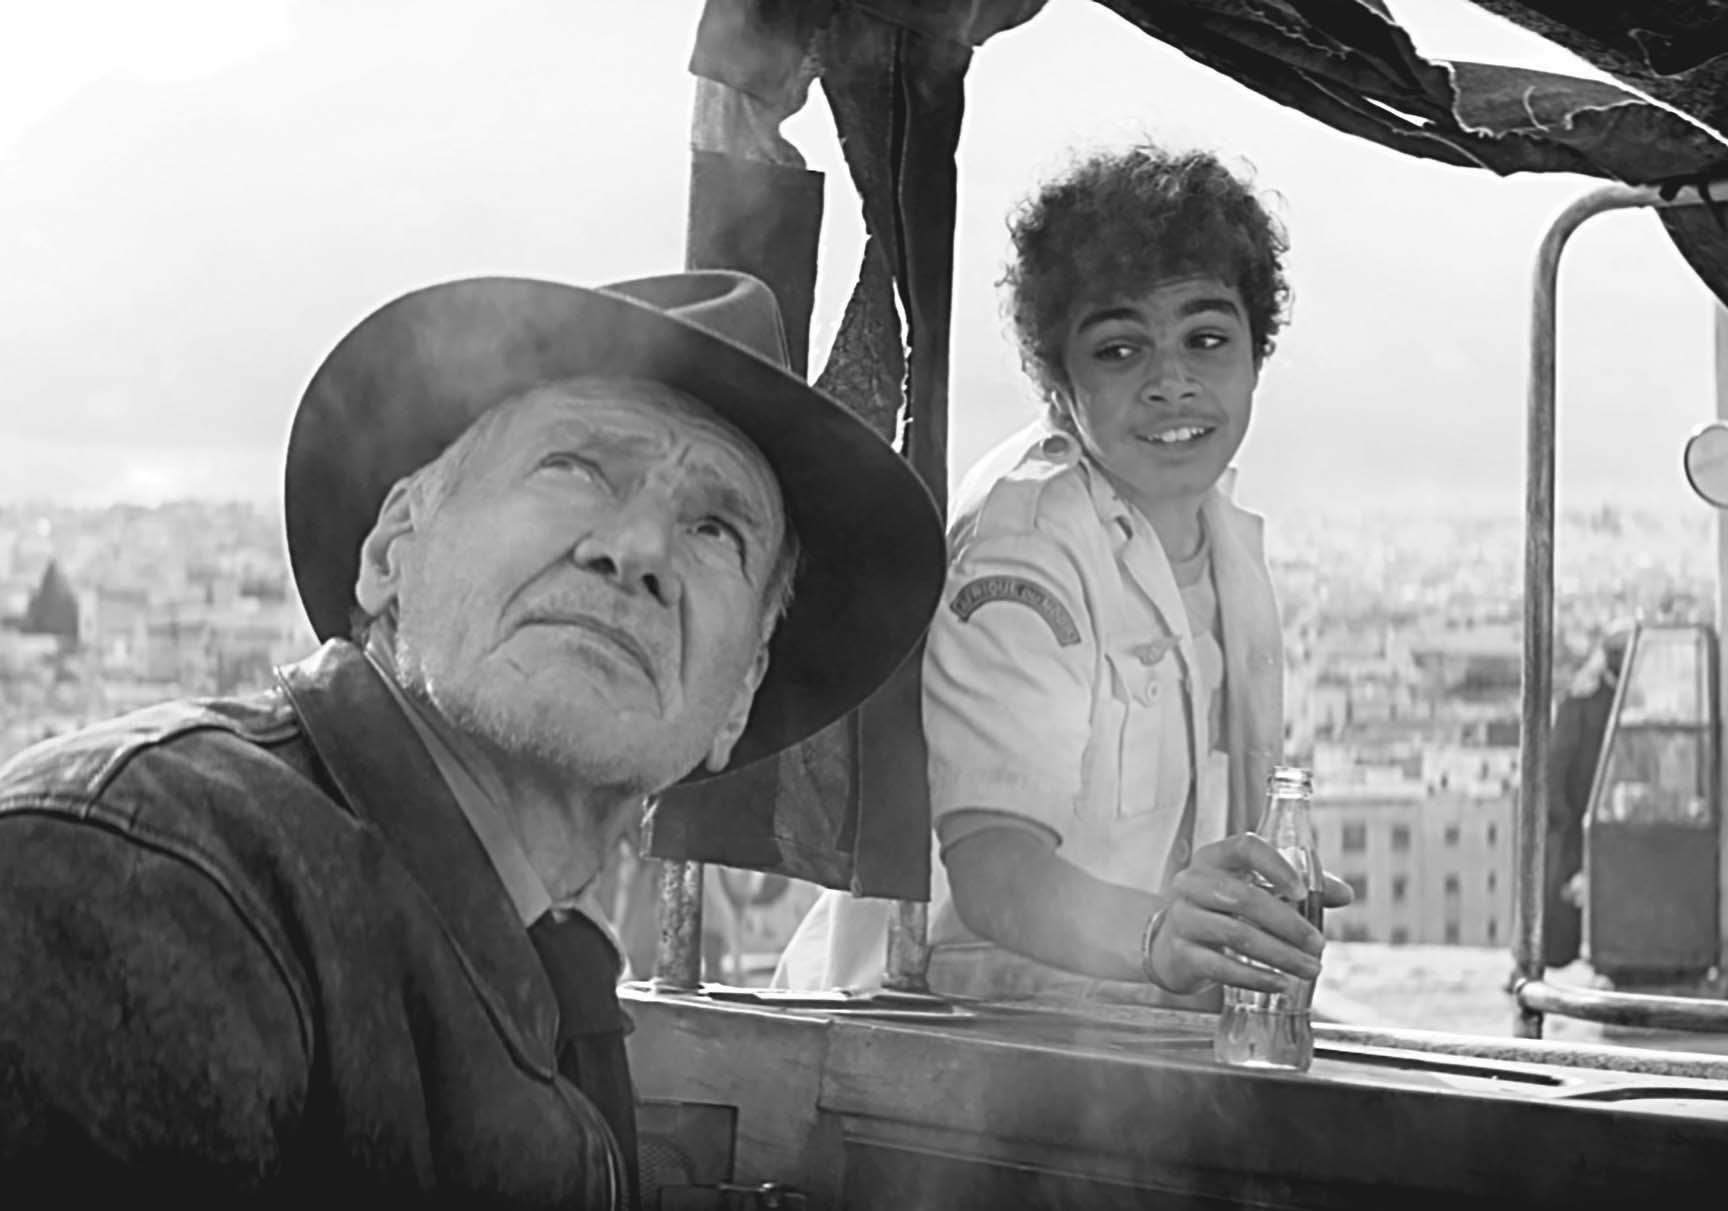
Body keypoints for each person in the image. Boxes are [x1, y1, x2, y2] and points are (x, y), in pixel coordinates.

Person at [0, 271, 945, 1206]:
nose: (640, 550)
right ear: (392, 551)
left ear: (738, 697)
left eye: (716, 529)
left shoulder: (554, 974)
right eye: (576, 468)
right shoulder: (149, 873)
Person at [777, 142, 1350, 1004]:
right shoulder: (1030, 539)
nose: (1171, 383)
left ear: (1255, 354)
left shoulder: (1223, 541)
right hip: (946, 1034)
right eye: (1120, 350)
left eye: (1206, 340)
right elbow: (995, 867)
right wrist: (1159, 934)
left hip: (1107, 1037)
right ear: (1055, 381)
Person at [1542, 625, 1631, 970]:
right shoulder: (1582, 701)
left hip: (1603, 813)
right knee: (1563, 894)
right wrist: (1561, 816)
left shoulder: (1613, 699)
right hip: (1576, 816)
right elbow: (1556, 765)